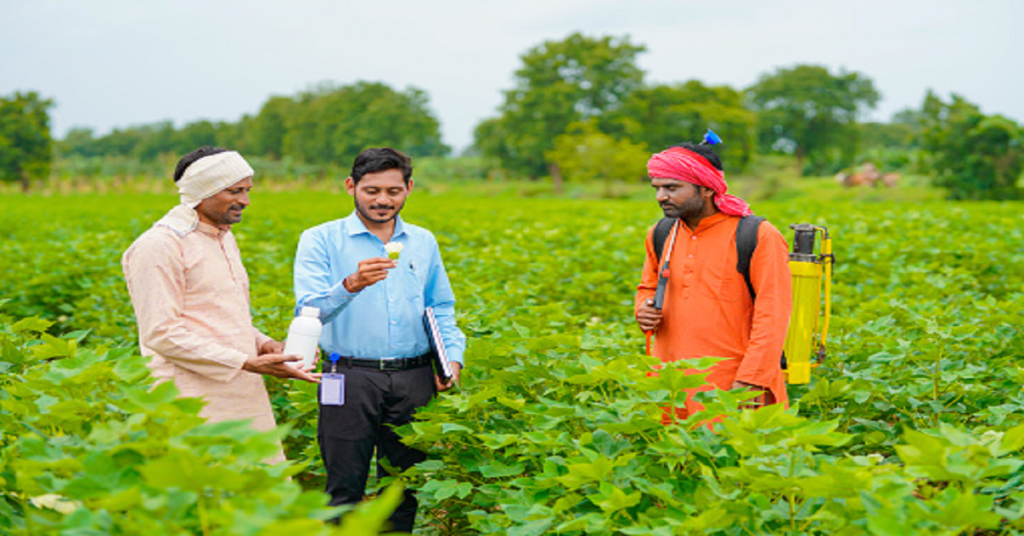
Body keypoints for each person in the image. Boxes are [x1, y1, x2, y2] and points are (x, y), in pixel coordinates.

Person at [293, 147, 465, 532]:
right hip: (347, 376)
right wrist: (350, 285)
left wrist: (451, 358)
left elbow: (441, 307)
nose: (383, 200)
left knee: (404, 487)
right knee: (344, 487)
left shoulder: (422, 241)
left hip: (414, 377)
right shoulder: (320, 240)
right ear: (351, 187)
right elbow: (308, 311)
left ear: (409, 189)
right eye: (371, 191)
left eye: (393, 190)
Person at [122, 146, 319, 463]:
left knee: (259, 492)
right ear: (203, 191)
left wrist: (266, 345)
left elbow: (224, 316)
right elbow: (160, 332)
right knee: (204, 495)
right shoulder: (160, 245)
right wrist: (245, 361)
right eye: (235, 191)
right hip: (188, 397)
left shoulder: (223, 237)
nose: (245, 200)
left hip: (241, 391)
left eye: (247, 190)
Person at [634, 142, 792, 421]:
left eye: (671, 188)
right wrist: (643, 308)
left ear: (707, 188)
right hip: (669, 383)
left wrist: (751, 380)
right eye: (657, 188)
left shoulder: (757, 235)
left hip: (731, 386)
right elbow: (647, 286)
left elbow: (773, 314)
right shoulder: (660, 234)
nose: (661, 196)